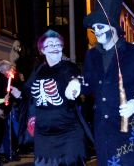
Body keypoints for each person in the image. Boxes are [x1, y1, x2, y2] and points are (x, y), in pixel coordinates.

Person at [66, 0, 134, 165]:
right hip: (102, 127)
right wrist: (76, 83)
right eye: (94, 28)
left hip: (126, 126)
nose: (96, 31)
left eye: (100, 27)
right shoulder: (92, 55)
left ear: (112, 26)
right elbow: (89, 82)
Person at [23, 29, 91, 165]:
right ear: (42, 50)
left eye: (58, 44)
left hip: (67, 132)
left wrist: (75, 83)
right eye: (50, 44)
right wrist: (17, 94)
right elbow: (28, 91)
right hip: (43, 133)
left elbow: (77, 77)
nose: (55, 47)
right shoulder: (38, 70)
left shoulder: (68, 67)